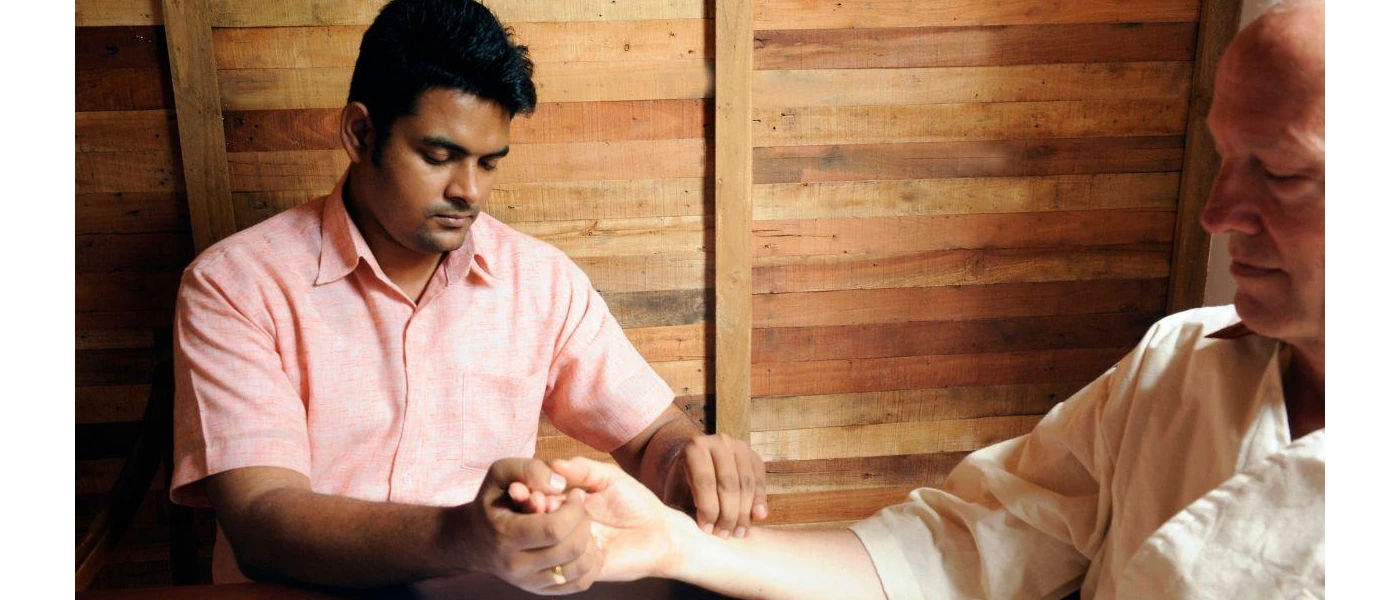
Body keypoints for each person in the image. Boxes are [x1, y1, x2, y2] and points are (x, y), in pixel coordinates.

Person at [540, 1, 1326, 598]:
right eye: (1223, 157)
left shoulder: (539, 285)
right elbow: (950, 549)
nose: (1218, 214)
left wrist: (679, 451)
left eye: (1282, 175)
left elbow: (654, 430)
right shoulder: (1175, 367)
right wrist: (677, 545)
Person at [167, 0, 766, 593]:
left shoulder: (541, 282)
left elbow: (650, 436)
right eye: (439, 156)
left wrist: (691, 459)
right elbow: (262, 520)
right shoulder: (236, 284)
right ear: (359, 133)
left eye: (489, 163)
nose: (469, 191)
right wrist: (461, 536)